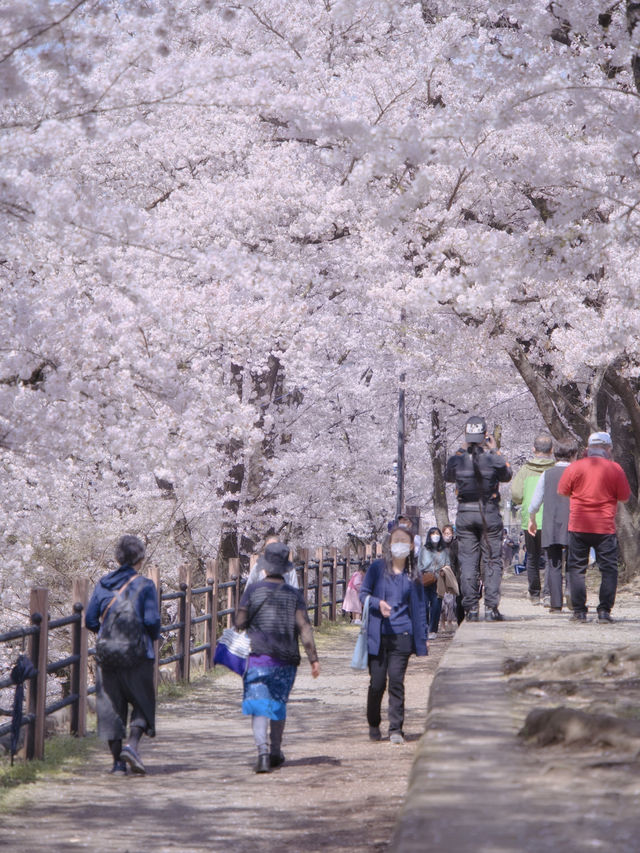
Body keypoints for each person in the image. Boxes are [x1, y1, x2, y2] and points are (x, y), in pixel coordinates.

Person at [235, 541, 319, 773]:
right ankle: (275, 751)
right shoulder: (294, 595)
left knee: (259, 703)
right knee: (277, 702)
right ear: (285, 569)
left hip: (258, 656)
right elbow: (304, 628)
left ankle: (262, 752)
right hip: (285, 658)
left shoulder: (253, 590)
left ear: (264, 567)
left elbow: (239, 622)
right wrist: (314, 659)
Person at [85, 535, 161, 776]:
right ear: (140, 558)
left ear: (118, 558)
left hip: (108, 656)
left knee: (111, 708)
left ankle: (117, 764)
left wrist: (108, 634)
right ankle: (132, 745)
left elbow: (89, 619)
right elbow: (151, 621)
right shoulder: (145, 585)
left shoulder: (103, 583)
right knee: (142, 702)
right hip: (139, 655)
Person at [359, 521, 427, 744]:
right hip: (377, 635)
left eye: (404, 541)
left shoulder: (413, 575)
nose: (399, 545)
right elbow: (363, 594)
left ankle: (396, 728)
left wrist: (421, 641)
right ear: (389, 543)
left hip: (402, 636)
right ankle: (373, 723)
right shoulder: (377, 568)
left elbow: (418, 610)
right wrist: (377, 604)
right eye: (395, 540)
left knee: (396, 680)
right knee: (377, 683)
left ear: (411, 547)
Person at [444, 415, 512, 621]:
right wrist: (494, 449)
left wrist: (461, 449)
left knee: (468, 562)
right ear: (484, 435)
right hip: (489, 513)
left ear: (466, 435)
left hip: (465, 513)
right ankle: (491, 608)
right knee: (492, 560)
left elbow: (447, 475)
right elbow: (507, 474)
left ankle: (471, 609)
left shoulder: (457, 459)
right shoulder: (492, 458)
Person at [557, 432, 631, 623]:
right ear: (607, 448)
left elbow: (562, 491)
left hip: (578, 525)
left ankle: (579, 611)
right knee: (608, 570)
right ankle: (604, 611)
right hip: (605, 527)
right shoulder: (616, 469)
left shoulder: (576, 467)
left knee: (576, 569)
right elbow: (624, 497)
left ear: (588, 448)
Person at [527, 440, 578, 611]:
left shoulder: (547, 474)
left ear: (555, 453)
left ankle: (556, 604)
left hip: (552, 523)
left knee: (554, 563)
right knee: (573, 560)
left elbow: (534, 503)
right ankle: (571, 591)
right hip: (574, 521)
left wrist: (532, 519)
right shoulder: (578, 473)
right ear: (573, 455)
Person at [511, 433, 556, 606]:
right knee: (552, 558)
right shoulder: (555, 468)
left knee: (532, 557)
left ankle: (535, 594)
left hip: (529, 519)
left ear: (533, 450)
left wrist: (523, 500)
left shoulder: (525, 470)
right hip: (551, 518)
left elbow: (515, 494)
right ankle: (548, 594)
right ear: (552, 451)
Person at [418, 526, 448, 638]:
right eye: (433, 534)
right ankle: (425, 627)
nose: (435, 536)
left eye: (437, 534)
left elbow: (447, 564)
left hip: (439, 580)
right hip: (425, 579)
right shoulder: (424, 549)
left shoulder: (443, 551)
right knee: (424, 604)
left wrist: (443, 572)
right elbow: (419, 564)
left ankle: (433, 629)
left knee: (436, 605)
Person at [442, 523, 464, 624]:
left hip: (472, 577)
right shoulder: (455, 544)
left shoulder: (476, 542)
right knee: (457, 602)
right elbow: (453, 562)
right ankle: (458, 622)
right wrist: (453, 576)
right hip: (459, 577)